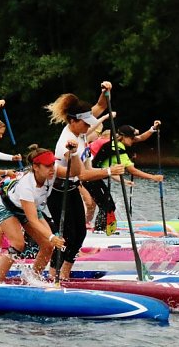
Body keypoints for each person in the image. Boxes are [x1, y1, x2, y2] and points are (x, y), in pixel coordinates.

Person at [44, 83, 122, 281]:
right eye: (85, 123)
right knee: (68, 237)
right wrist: (109, 171)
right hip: (57, 193)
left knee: (80, 235)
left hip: (70, 189)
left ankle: (65, 274)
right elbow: (84, 175)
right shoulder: (67, 144)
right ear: (72, 121)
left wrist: (106, 91)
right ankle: (52, 275)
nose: (89, 126)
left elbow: (101, 105)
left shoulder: (79, 129)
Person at [0, 145, 70, 282]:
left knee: (48, 245)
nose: (52, 168)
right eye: (47, 166)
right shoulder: (26, 185)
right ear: (36, 167)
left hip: (30, 208)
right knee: (18, 244)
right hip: (8, 208)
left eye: (53, 164)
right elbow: (33, 221)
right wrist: (52, 236)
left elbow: (76, 172)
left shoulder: (53, 172)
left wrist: (74, 155)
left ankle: (33, 279)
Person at [89, 122, 161, 233]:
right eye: (132, 138)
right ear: (124, 137)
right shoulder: (118, 150)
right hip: (90, 177)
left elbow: (141, 137)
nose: (133, 140)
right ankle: (99, 230)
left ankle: (101, 229)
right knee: (107, 205)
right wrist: (153, 177)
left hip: (96, 176)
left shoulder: (118, 142)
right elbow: (132, 170)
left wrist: (153, 129)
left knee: (109, 205)